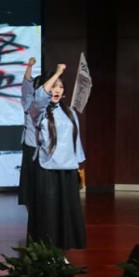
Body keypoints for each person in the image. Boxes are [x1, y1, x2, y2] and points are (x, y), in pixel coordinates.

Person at [28, 64, 86, 251]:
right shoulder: (38, 110)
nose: (57, 90)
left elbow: (75, 141)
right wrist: (59, 72)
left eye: (60, 86)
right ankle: (45, 253)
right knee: (48, 213)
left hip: (67, 169)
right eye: (53, 86)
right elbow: (40, 96)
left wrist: (79, 165)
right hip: (47, 169)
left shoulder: (70, 112)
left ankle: (62, 252)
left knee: (65, 212)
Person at [18, 57, 39, 211]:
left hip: (44, 148)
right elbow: (26, 84)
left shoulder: (49, 104)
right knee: (29, 180)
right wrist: (30, 66)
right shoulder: (29, 101)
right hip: (30, 145)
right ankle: (31, 208)